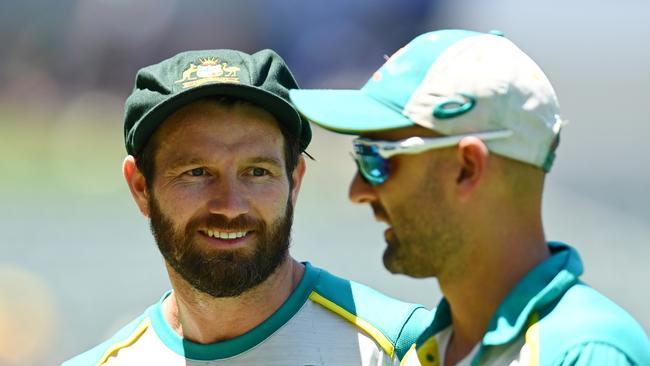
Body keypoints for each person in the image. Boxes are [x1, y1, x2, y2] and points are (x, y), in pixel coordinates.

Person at [289, 29, 650, 365]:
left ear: (467, 167)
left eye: (377, 159)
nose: (358, 192)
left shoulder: (588, 353)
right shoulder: (420, 348)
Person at [62, 49, 431, 365]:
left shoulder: (405, 347)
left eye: (257, 172)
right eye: (197, 172)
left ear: (295, 181)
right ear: (141, 187)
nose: (229, 205)